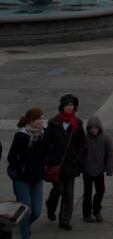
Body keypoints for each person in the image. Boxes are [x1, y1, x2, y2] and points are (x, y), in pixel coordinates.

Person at [6, 107, 46, 239]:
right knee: (25, 210)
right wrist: (20, 170)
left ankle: (25, 225)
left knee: (36, 211)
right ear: (31, 121)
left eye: (42, 118)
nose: (41, 121)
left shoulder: (43, 134)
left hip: (37, 178)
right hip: (23, 179)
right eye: (38, 119)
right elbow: (11, 157)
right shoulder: (21, 136)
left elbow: (47, 152)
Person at [44, 95, 86, 231]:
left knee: (68, 193)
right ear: (62, 106)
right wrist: (50, 159)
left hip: (71, 163)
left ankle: (65, 220)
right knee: (58, 189)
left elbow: (81, 143)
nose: (70, 107)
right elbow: (47, 143)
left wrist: (78, 158)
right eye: (67, 105)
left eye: (72, 105)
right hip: (57, 163)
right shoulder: (53, 123)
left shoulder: (77, 123)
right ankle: (50, 206)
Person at [82, 116, 113, 223]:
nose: (93, 130)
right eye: (91, 128)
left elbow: (109, 154)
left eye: (95, 127)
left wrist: (109, 169)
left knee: (100, 190)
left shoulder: (105, 138)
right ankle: (86, 213)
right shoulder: (85, 139)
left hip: (99, 170)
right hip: (87, 170)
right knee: (87, 193)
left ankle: (96, 210)